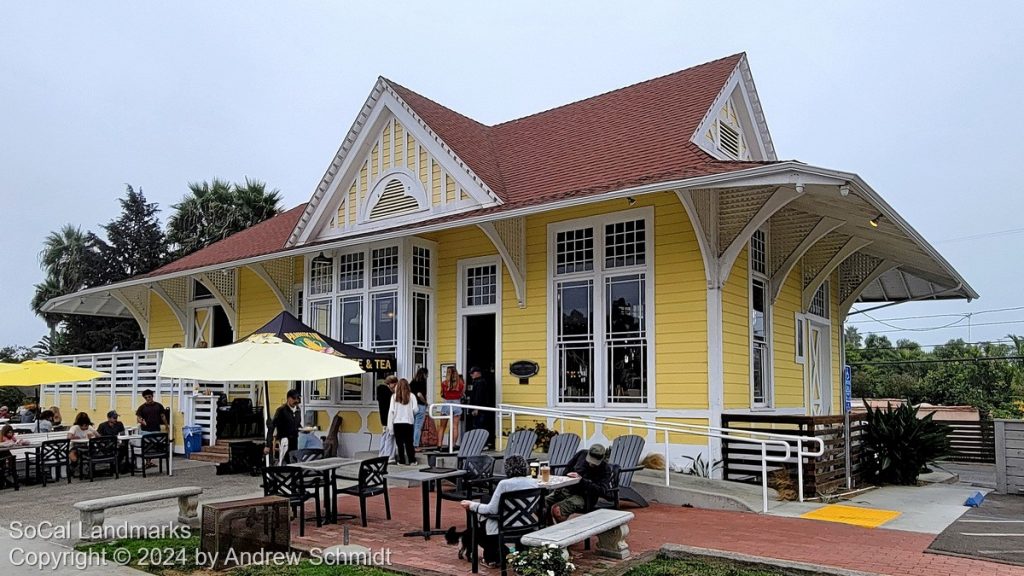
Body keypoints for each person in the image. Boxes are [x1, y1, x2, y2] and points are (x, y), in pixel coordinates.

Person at [461, 455, 537, 567]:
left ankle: (491, 558)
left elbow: (491, 509)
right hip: (527, 524)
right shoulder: (533, 482)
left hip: (505, 526)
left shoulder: (504, 484)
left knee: (479, 527)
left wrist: (472, 505)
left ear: (507, 469)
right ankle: (508, 555)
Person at [547, 444, 614, 523]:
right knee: (539, 504)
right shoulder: (581, 454)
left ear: (602, 458)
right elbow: (568, 468)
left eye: (595, 462)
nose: (591, 464)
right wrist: (564, 480)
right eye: (590, 460)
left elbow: (602, 490)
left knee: (557, 510)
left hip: (584, 497)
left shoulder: (605, 469)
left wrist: (582, 481)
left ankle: (563, 532)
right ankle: (549, 526)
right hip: (567, 489)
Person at [265, 389, 302, 462]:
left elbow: (297, 424)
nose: (296, 400)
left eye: (298, 398)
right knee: (286, 459)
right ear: (288, 398)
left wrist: (303, 429)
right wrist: (268, 445)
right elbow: (272, 426)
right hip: (284, 439)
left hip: (294, 439)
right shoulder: (281, 410)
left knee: (294, 460)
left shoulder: (298, 410)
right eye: (294, 398)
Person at [388, 379, 418, 465]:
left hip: (397, 422)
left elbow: (391, 411)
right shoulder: (412, 396)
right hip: (408, 422)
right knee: (409, 443)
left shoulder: (394, 397)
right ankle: (412, 460)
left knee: (399, 444)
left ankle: (401, 460)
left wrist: (390, 427)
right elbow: (415, 410)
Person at [136, 389, 167, 469]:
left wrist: (167, 425)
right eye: (146, 398)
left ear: (152, 396)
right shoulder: (142, 407)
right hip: (145, 430)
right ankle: (147, 462)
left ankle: (149, 462)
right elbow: (138, 419)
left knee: (154, 445)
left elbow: (163, 416)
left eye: (149, 397)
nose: (148, 399)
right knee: (147, 446)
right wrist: (142, 422)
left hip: (156, 429)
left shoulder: (159, 406)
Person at [436, 366, 464, 449]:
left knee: (442, 426)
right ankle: (453, 444)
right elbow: (461, 394)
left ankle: (439, 444)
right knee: (455, 426)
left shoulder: (444, 383)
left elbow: (442, 394)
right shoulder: (461, 384)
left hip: (447, 404)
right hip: (457, 404)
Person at [466, 367, 495, 447]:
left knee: (480, 426)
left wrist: (476, 408)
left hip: (480, 409)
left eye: (472, 373)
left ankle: (482, 444)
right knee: (480, 426)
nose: (471, 374)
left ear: (478, 373)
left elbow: (479, 396)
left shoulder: (480, 382)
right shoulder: (478, 381)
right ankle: (482, 443)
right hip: (481, 408)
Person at [377, 376, 398, 459]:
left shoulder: (381, 392)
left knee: (384, 436)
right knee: (390, 437)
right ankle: (389, 456)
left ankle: (381, 454)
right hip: (389, 418)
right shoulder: (389, 394)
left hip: (383, 418)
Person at [409, 368, 429, 448]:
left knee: (412, 425)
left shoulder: (412, 382)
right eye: (427, 374)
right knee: (418, 426)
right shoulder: (422, 382)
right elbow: (419, 394)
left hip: (412, 406)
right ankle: (415, 444)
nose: (427, 376)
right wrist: (425, 402)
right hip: (420, 405)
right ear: (424, 374)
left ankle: (410, 443)